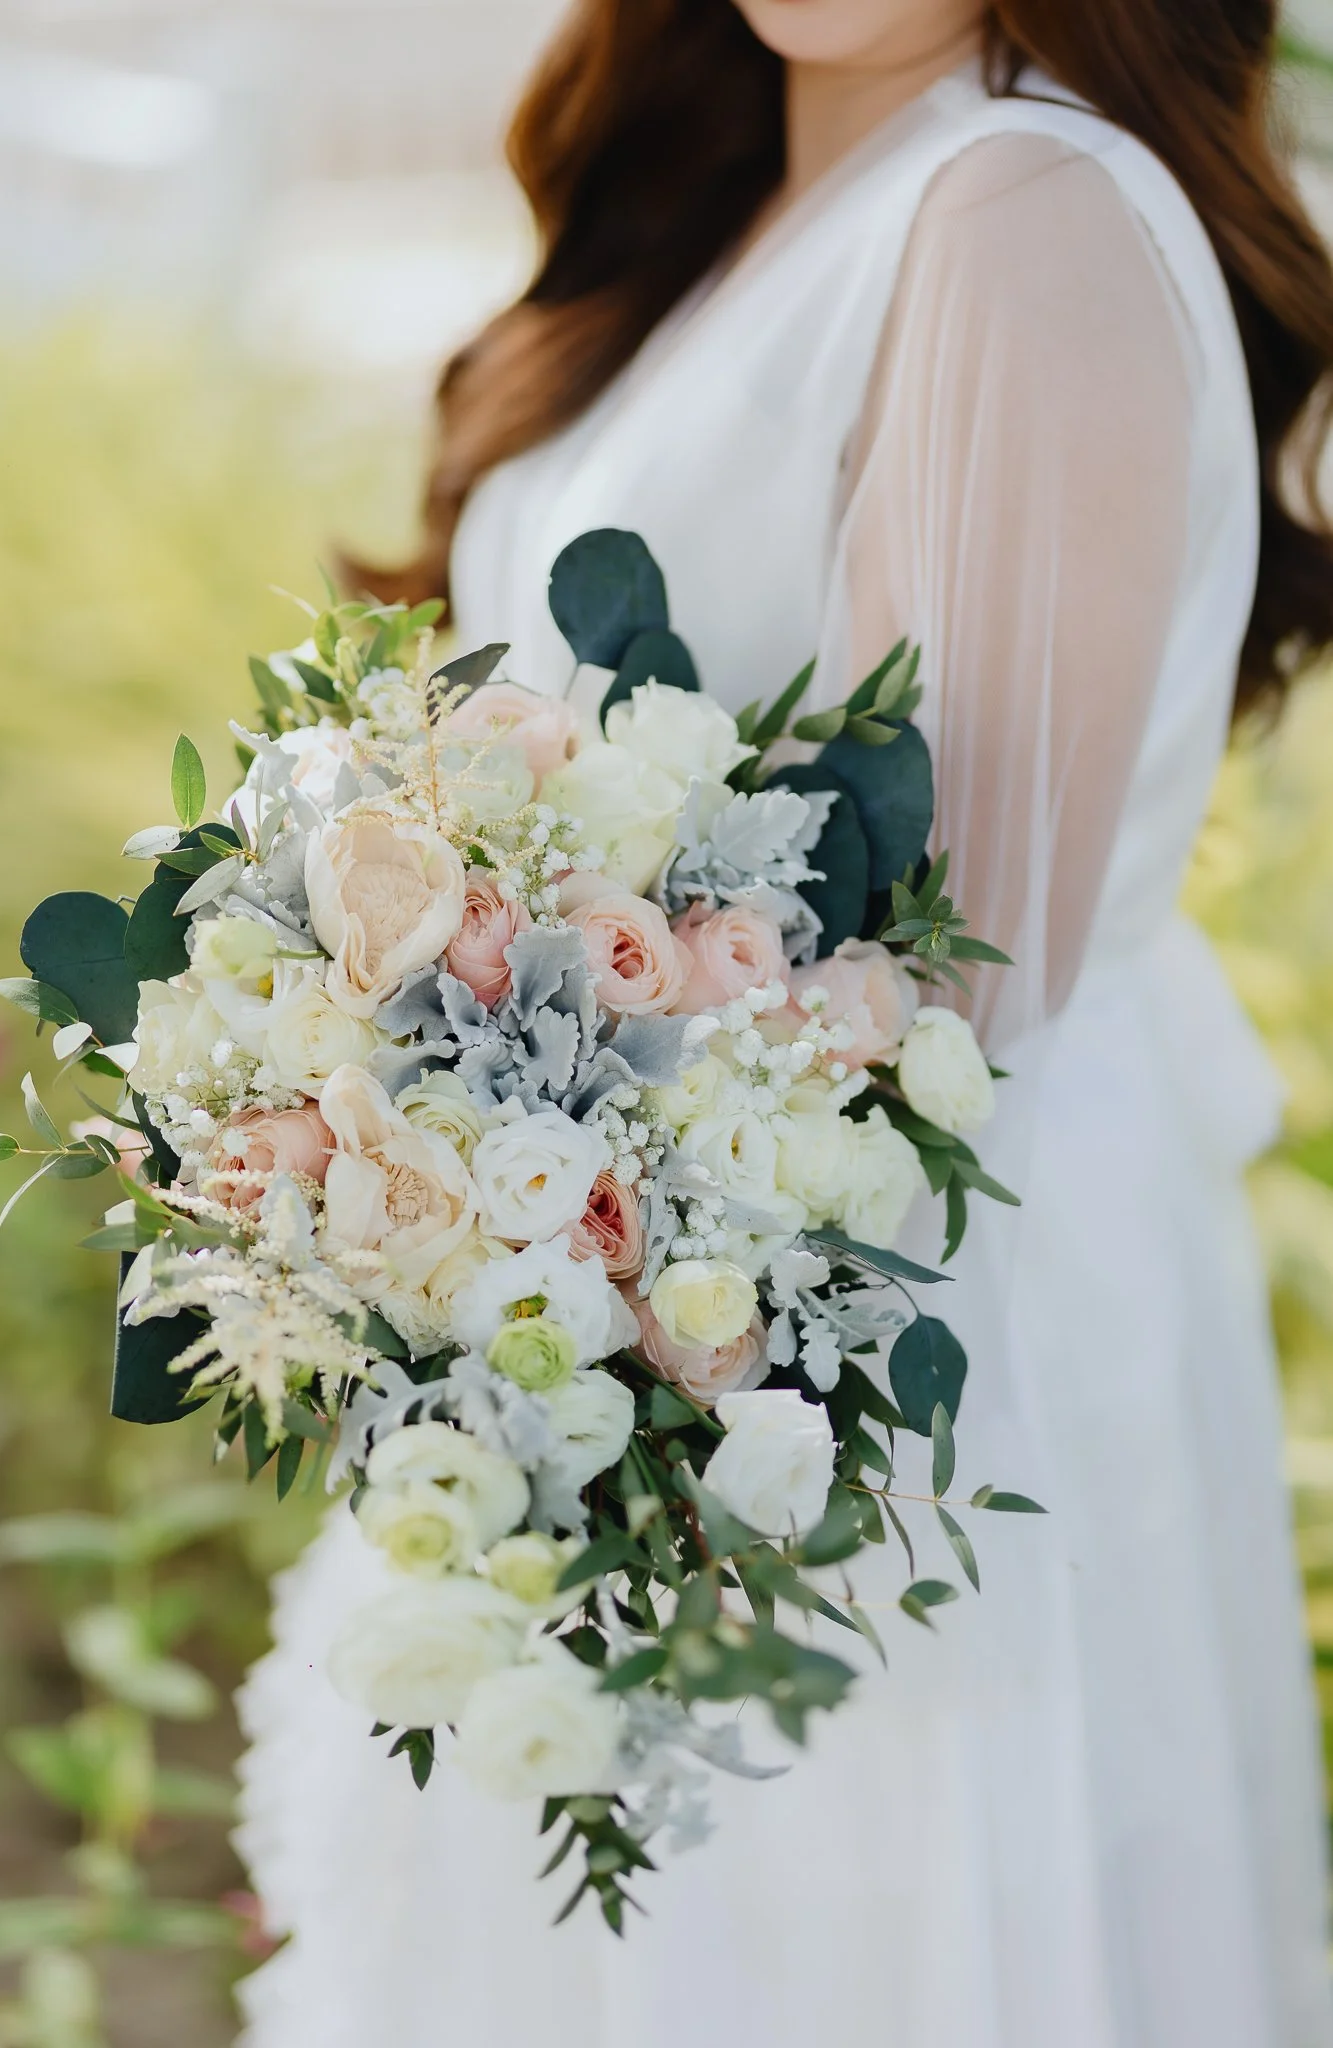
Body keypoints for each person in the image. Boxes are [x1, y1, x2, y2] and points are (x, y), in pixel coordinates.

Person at [234, 4, 1333, 2042]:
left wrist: (511, 1187)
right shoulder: (743, 179)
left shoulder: (1020, 211)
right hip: (611, 1291)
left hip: (857, 1343)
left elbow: (944, 984)